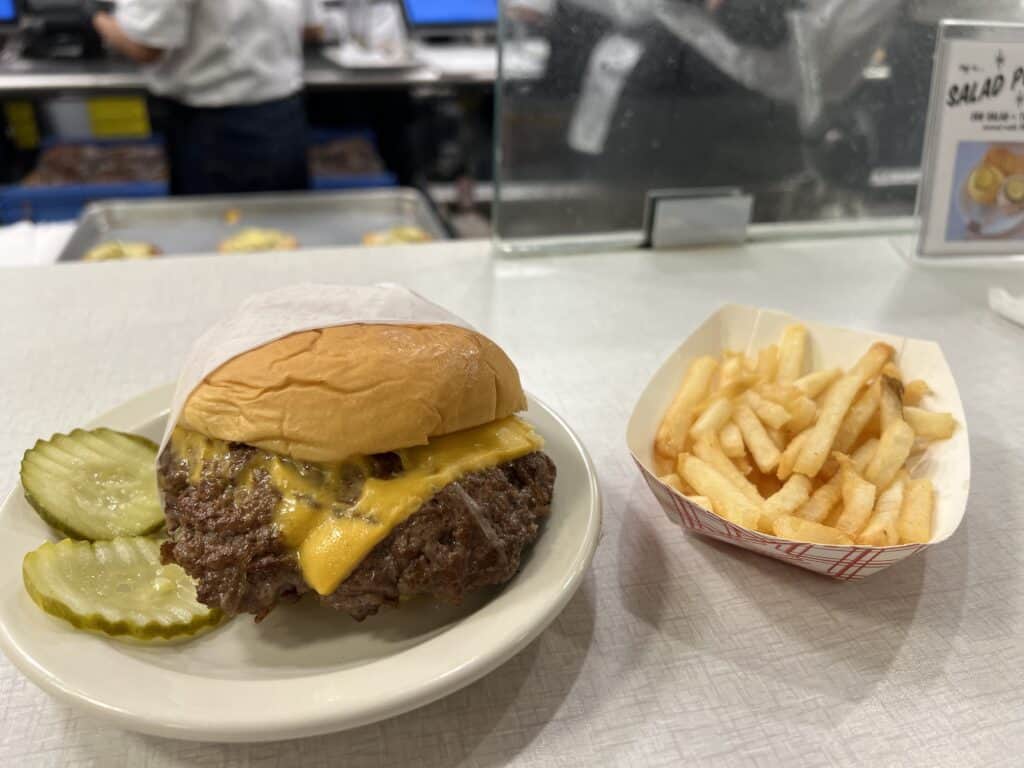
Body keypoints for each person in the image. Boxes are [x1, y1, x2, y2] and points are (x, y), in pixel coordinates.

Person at [92, 1, 327, 196]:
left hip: (216, 129)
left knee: (214, 227)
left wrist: (94, 15)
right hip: (283, 116)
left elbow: (145, 48)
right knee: (285, 223)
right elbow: (312, 29)